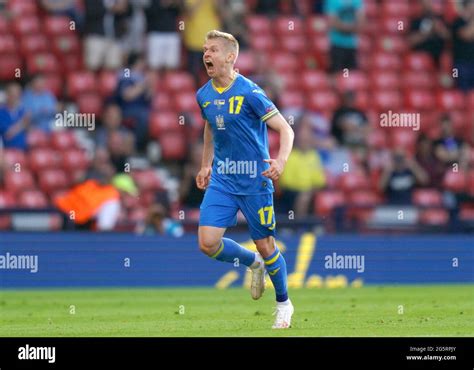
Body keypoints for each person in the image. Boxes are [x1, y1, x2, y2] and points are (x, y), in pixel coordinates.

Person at [196, 30, 295, 329]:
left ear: (230, 57)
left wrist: (280, 161)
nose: (206, 55)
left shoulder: (251, 93)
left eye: (212, 50)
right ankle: (253, 263)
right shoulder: (204, 95)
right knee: (207, 243)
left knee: (266, 244)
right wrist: (205, 165)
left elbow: (286, 130)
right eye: (204, 50)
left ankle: (283, 304)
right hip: (224, 179)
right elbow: (211, 128)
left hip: (255, 181)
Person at [279, 122, 326, 217]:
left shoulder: (314, 155)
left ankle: (320, 225)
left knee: (314, 197)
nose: (305, 142)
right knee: (303, 198)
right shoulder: (289, 156)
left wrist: (309, 190)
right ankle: (298, 224)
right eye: (302, 139)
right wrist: (305, 190)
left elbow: (320, 180)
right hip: (292, 191)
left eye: (307, 140)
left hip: (311, 191)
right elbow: (286, 181)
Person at [324, 0, 365, 73]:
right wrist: (352, 27)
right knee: (337, 73)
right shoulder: (332, 1)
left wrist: (344, 27)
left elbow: (361, 22)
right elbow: (332, 22)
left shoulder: (357, 1)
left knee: (349, 75)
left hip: (352, 46)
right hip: (336, 44)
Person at [408, 0, 449, 67]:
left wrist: (439, 29)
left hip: (438, 59)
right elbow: (411, 41)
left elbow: (448, 37)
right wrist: (427, 33)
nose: (429, 4)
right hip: (420, 59)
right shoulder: (416, 20)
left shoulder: (440, 18)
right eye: (426, 2)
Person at [451, 0, 474, 91]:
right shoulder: (458, 22)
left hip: (472, 63)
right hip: (460, 64)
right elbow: (466, 35)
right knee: (462, 90)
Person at [0, 83, 30, 151]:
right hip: (7, 151)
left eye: (17, 95)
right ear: (7, 95)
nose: (15, 97)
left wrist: (27, 123)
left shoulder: (22, 111)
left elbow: (28, 131)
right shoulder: (1, 112)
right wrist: (23, 123)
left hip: (25, 150)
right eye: (12, 95)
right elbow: (7, 135)